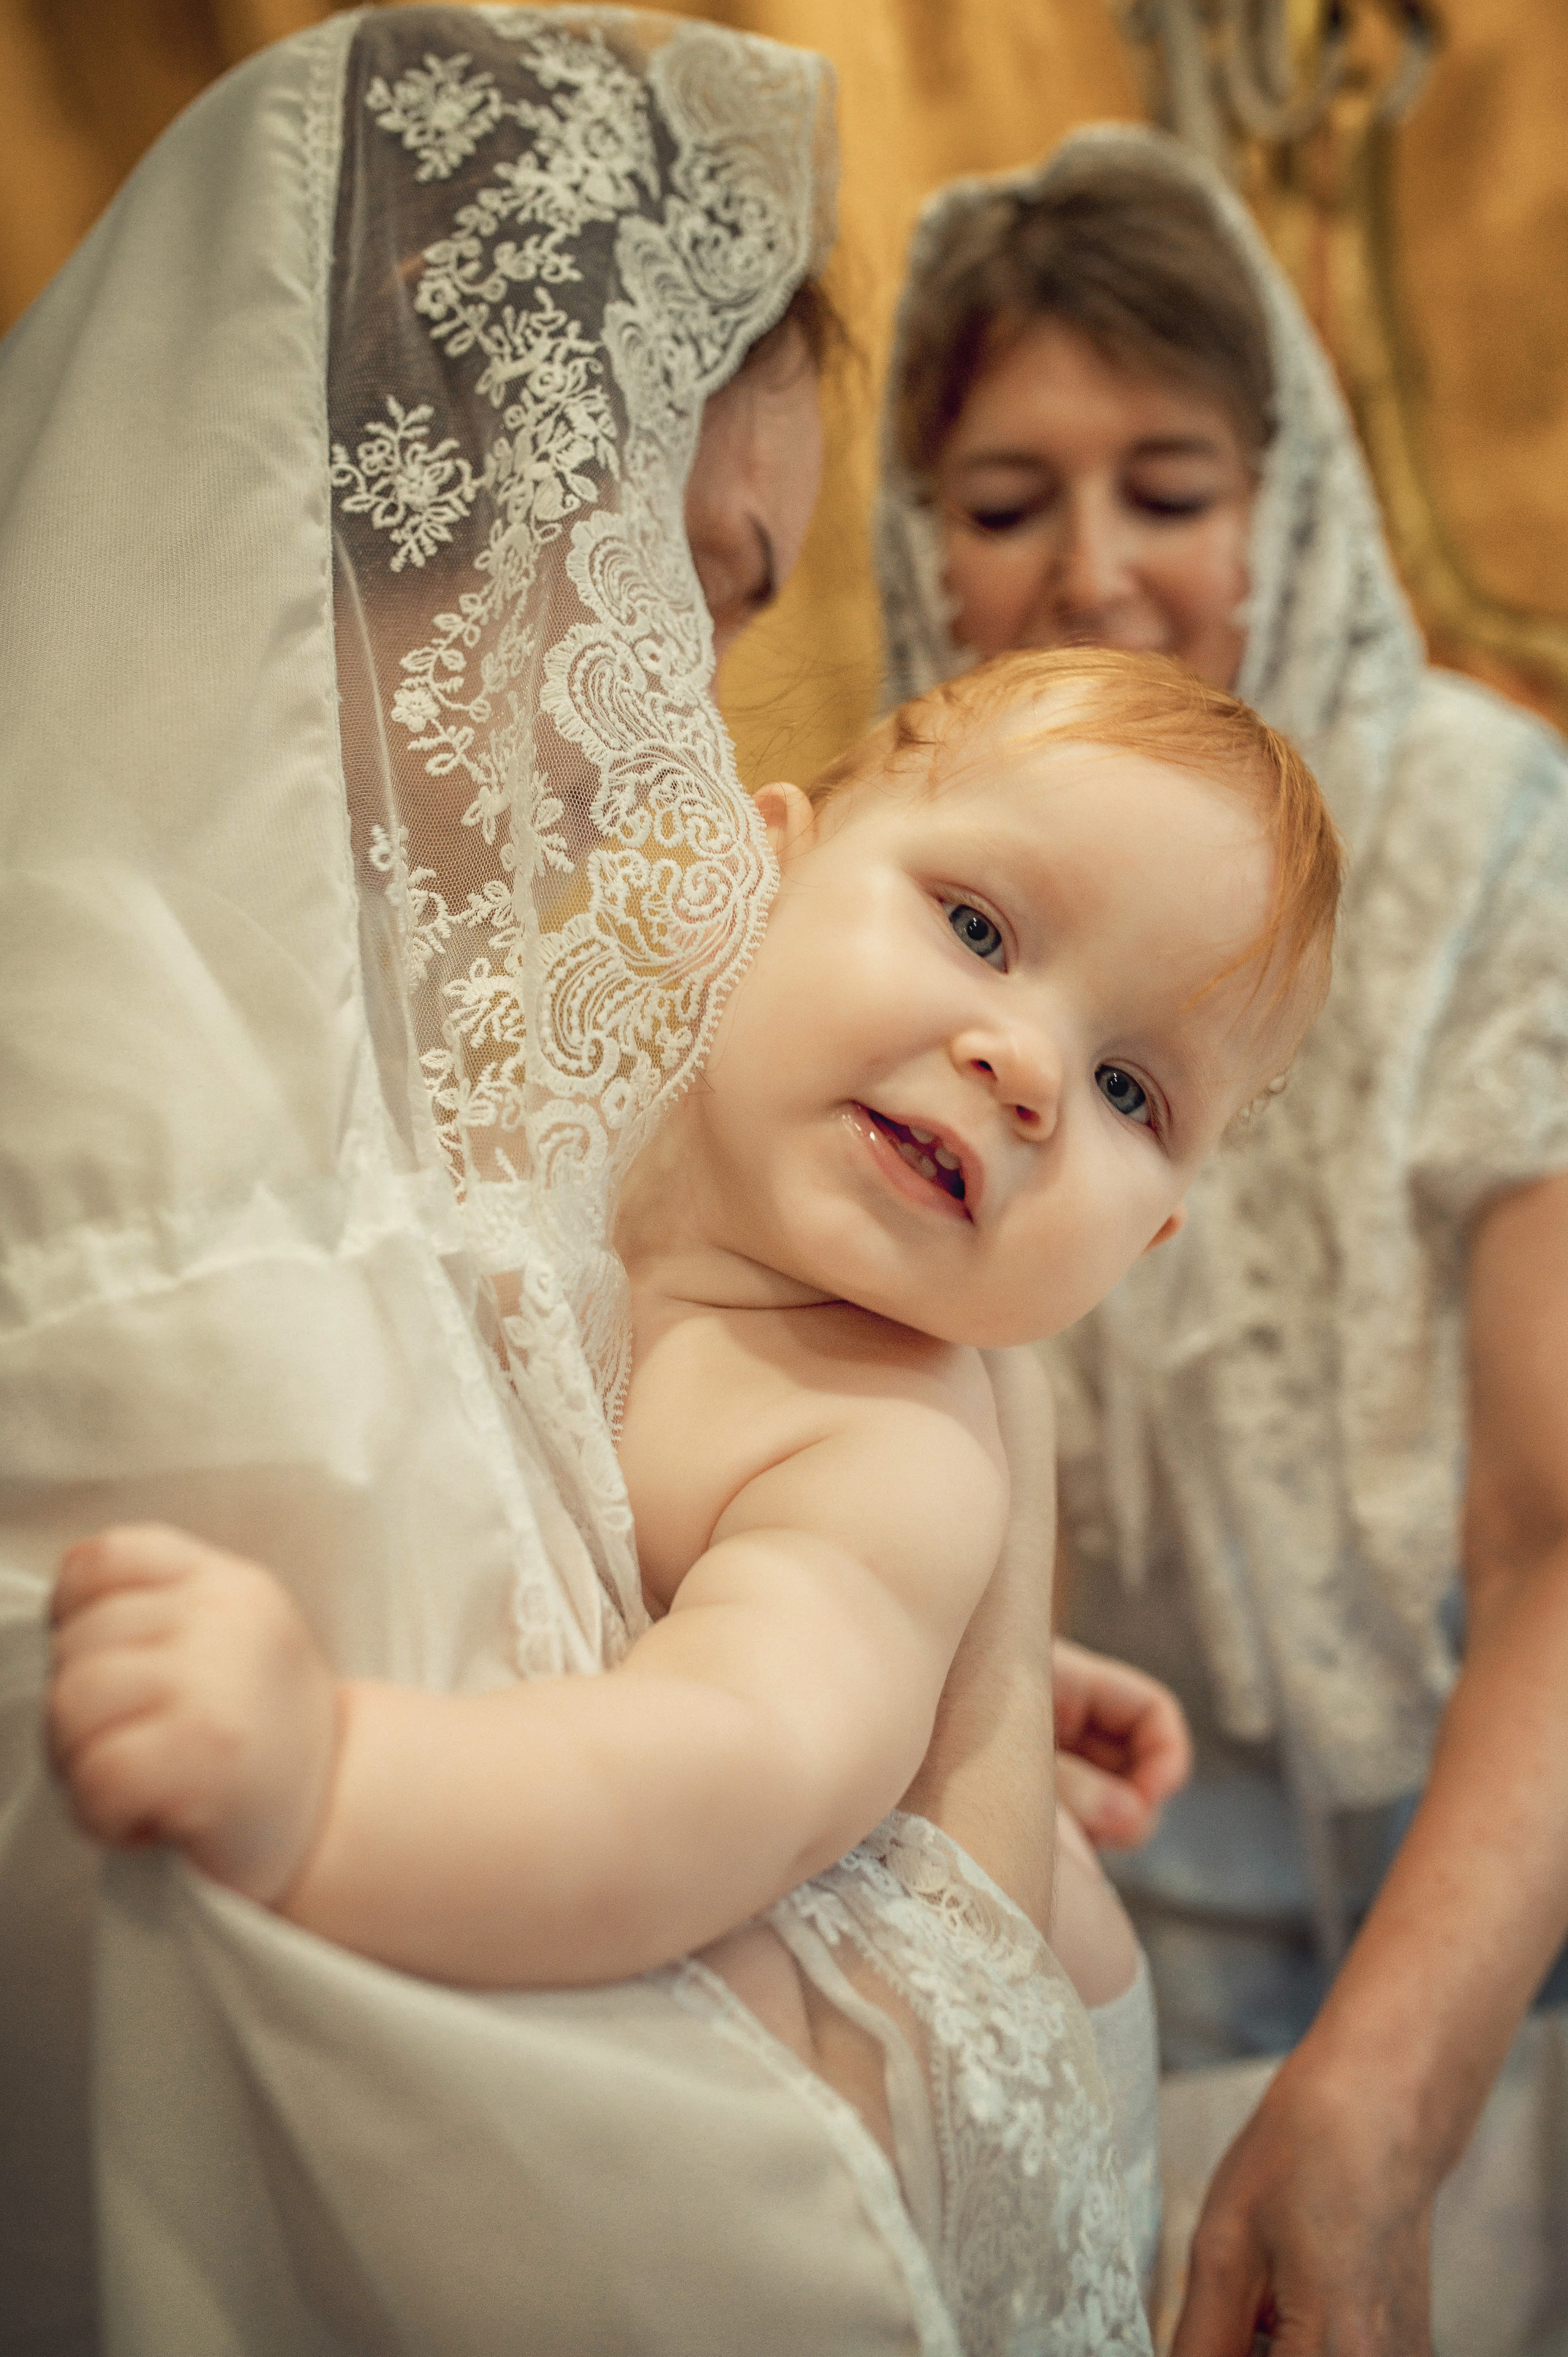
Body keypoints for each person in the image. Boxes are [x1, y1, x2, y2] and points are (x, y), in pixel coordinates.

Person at [0, 16, 1164, 2351]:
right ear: (455, 474)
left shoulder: (370, 1065)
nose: (682, 721)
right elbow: (539, 2161)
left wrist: (913, 1612)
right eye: (694, 590)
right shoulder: (148, 1140)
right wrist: (947, 1775)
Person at [47, 632, 1338, 2078]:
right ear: (756, 866)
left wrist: (333, 1782)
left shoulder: (886, 1452)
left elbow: (731, 1766)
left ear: (1146, 1241)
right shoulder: (558, 1118)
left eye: (1127, 1089)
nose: (1025, 1070)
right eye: (977, 928)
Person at [877, 124, 1568, 2355]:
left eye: (1169, 490)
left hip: (1498, 1909)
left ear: (1292, 514)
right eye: (1006, 503)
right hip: (1088, 1900)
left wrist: (1381, 2090)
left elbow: (1561, 1525)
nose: (1094, 572)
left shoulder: (1485, 838)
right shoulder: (888, 880)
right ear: (920, 547)